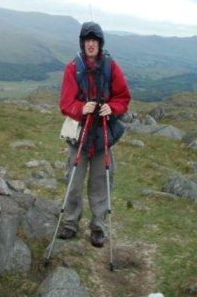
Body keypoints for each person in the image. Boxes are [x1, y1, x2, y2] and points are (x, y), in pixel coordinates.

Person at [58, 21, 131, 247]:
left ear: (100, 43)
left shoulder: (111, 67)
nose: (91, 44)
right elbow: (65, 103)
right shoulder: (73, 68)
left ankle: (98, 228)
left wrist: (113, 108)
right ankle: (70, 223)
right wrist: (81, 108)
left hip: (102, 135)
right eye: (87, 40)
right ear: (83, 43)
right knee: (74, 180)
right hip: (80, 134)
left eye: (94, 40)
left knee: (101, 182)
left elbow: (123, 97)